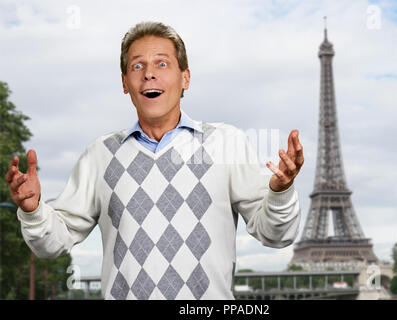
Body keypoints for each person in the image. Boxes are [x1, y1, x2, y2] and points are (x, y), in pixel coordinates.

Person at [5, 21, 304, 300]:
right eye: (138, 66)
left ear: (185, 77)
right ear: (125, 82)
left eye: (162, 63)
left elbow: (277, 235)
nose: (149, 73)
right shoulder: (99, 155)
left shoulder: (227, 142)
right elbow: (51, 243)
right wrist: (33, 212)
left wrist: (280, 192)